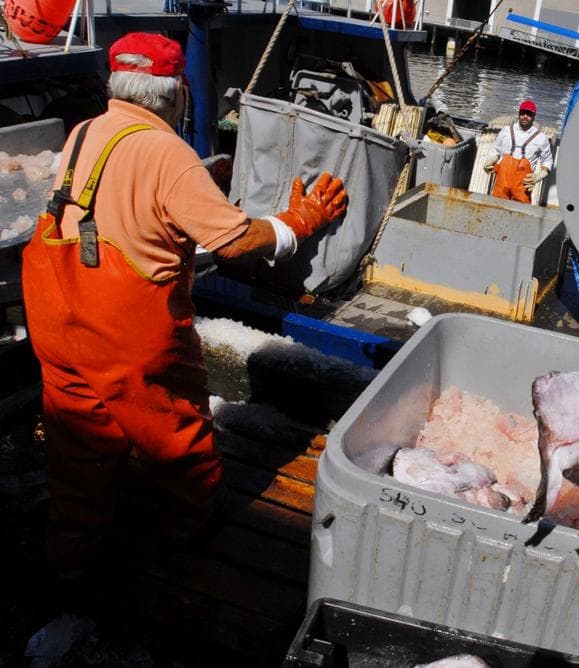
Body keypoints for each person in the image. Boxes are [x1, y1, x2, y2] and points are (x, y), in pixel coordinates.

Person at [20, 32, 347, 578]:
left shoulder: (83, 131)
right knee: (171, 429)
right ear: (176, 93)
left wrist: (195, 188)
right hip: (126, 333)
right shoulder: (168, 152)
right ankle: (186, 529)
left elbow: (116, 204)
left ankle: (70, 550)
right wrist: (298, 223)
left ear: (116, 84)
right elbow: (236, 240)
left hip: (57, 317)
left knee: (78, 436)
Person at [483, 99, 553, 204]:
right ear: (519, 114)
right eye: (523, 113)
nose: (525, 116)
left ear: (534, 116)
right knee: (496, 208)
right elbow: (495, 150)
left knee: (520, 213)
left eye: (529, 114)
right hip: (502, 182)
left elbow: (547, 161)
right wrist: (489, 161)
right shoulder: (506, 131)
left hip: (522, 185)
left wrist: (537, 177)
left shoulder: (541, 138)